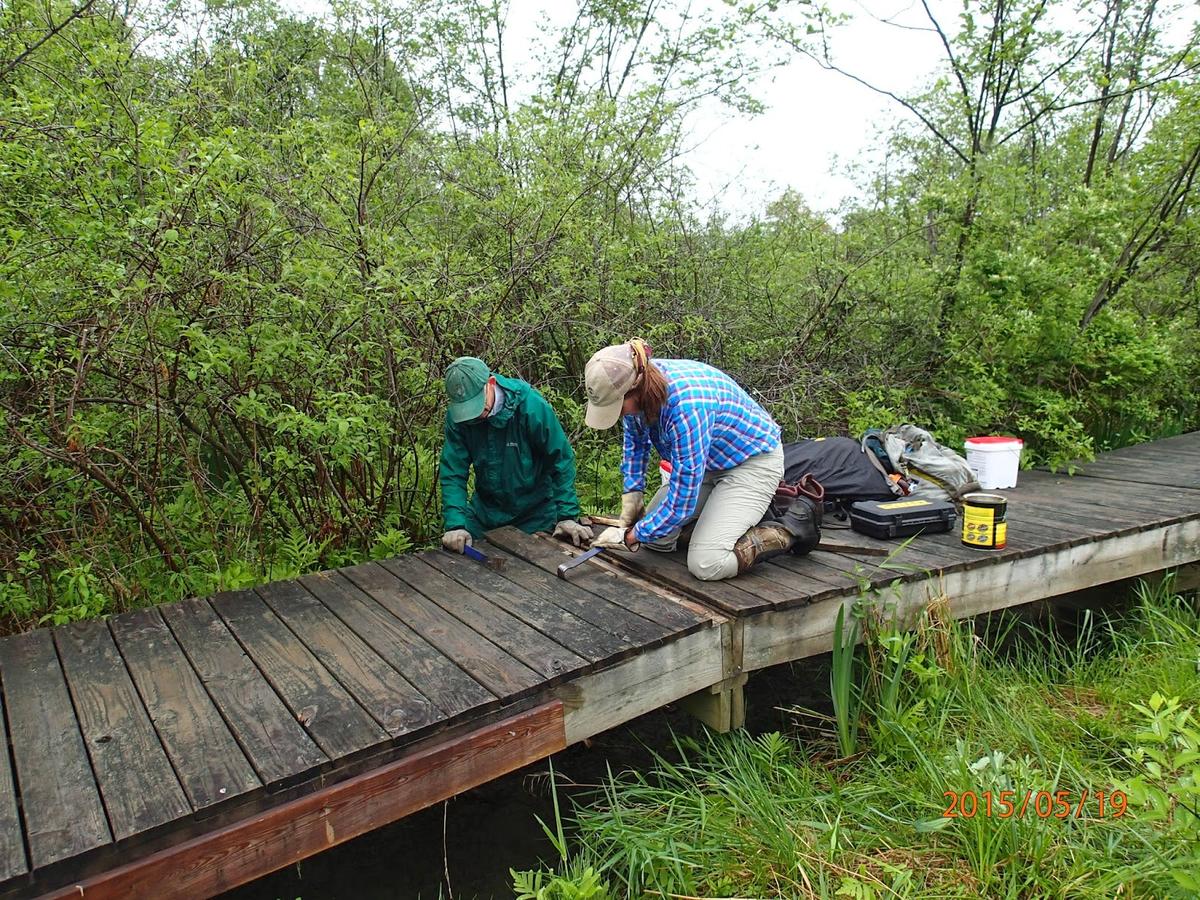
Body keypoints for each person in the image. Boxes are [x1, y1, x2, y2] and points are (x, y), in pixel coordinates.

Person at [583, 340, 813, 580]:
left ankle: (790, 528)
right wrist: (632, 509)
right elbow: (635, 450)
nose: (620, 413)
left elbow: (681, 503)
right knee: (657, 540)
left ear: (636, 388)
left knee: (707, 563)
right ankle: (719, 522)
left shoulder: (687, 406)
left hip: (752, 464)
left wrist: (630, 536)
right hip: (707, 465)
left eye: (619, 407)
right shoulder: (636, 393)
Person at [439, 357, 591, 551]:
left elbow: (560, 459)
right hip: (485, 514)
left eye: (477, 406)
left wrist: (567, 516)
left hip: (536, 513)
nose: (474, 416)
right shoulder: (458, 418)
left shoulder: (530, 406)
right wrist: (456, 525)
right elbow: (453, 471)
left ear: (490, 384)